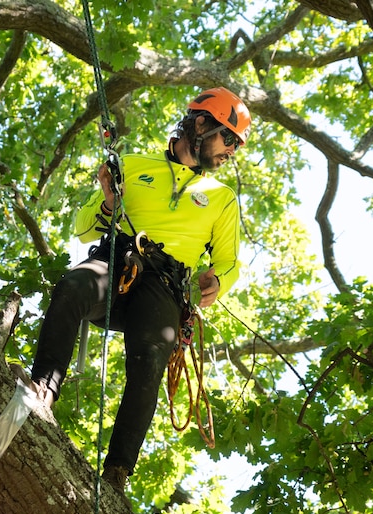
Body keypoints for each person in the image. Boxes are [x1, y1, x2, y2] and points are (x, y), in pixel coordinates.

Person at [29, 87, 251, 491]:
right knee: (72, 286)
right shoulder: (131, 165)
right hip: (119, 258)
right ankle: (41, 391)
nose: (231, 151)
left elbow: (229, 261)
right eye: (229, 139)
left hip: (165, 285)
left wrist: (217, 280)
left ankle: (116, 473)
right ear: (201, 124)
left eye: (236, 145)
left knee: (150, 358)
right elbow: (82, 227)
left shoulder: (222, 198)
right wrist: (111, 203)